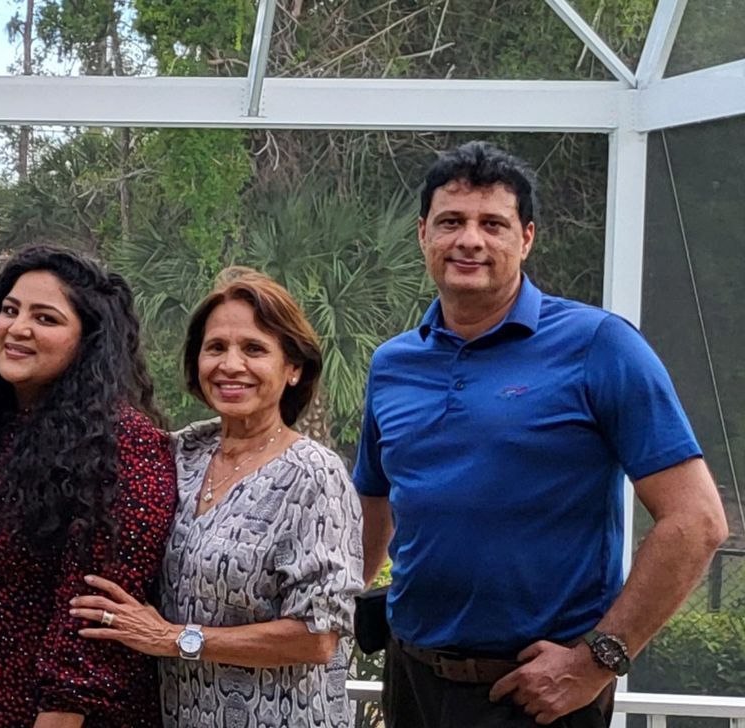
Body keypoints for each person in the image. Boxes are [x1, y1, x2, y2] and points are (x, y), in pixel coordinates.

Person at [357, 141, 728, 727]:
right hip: (412, 682)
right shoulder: (393, 364)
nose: (469, 240)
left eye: (493, 224)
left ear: (526, 238)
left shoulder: (599, 345)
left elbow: (697, 520)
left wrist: (598, 661)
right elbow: (373, 502)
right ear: (423, 233)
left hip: (538, 695)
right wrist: (330, 610)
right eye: (451, 221)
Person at [71, 267, 362, 727]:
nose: (231, 365)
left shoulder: (313, 475)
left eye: (254, 349)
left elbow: (318, 635)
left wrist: (175, 639)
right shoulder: (180, 453)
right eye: (216, 348)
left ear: (293, 368)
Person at [0, 244, 178, 727]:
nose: (18, 328)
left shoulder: (123, 445)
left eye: (45, 318)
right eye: (9, 310)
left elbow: (91, 629)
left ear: (89, 339)